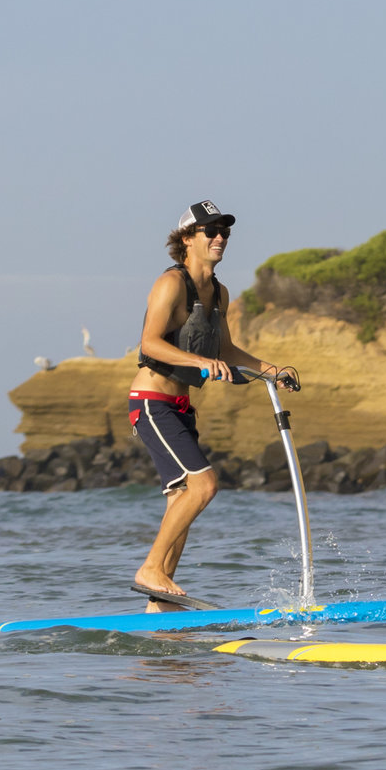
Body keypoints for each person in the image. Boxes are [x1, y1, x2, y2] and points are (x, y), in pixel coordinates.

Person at [129, 200, 297, 611]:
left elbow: (227, 350)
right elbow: (149, 343)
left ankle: (159, 600)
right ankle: (151, 568)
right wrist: (202, 362)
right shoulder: (171, 283)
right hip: (152, 402)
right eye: (210, 230)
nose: (220, 237)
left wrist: (272, 369)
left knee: (180, 501)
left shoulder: (219, 293)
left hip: (182, 407)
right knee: (203, 485)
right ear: (187, 239)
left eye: (224, 231)